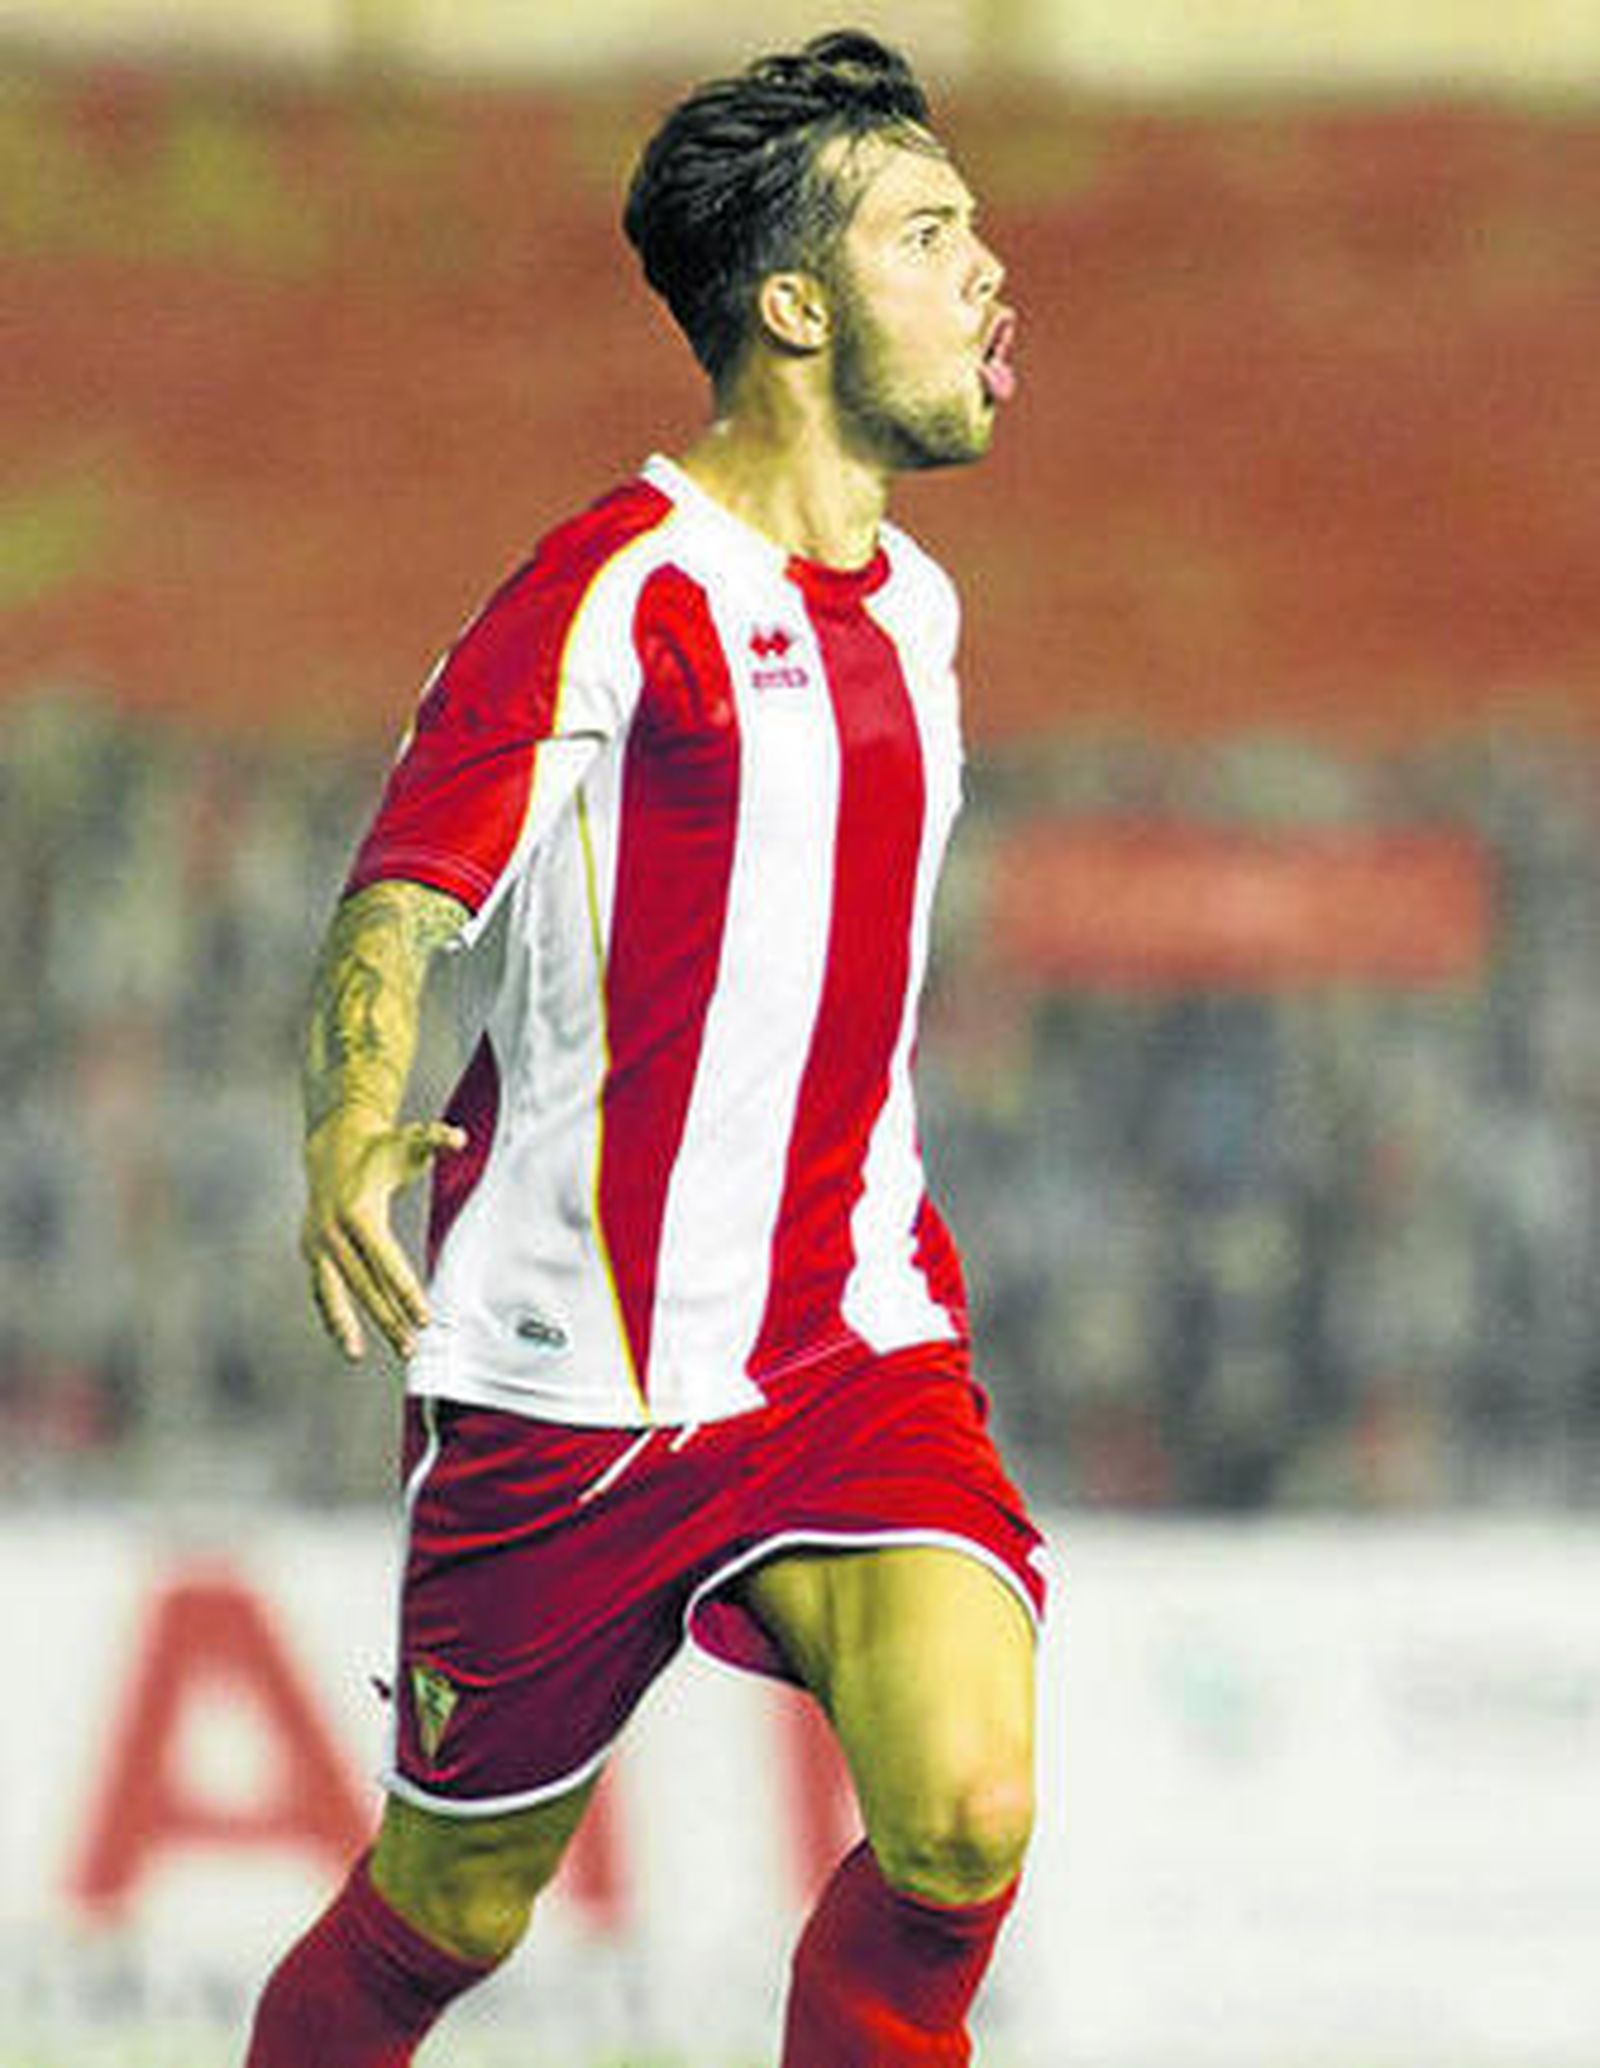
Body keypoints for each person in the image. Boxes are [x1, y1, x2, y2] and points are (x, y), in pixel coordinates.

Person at [245, 28, 1045, 2068]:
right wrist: (352, 1108)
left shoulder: (923, 610)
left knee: (958, 1810)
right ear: (792, 304)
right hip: (563, 1373)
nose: (987, 267)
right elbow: (412, 878)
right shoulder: (613, 587)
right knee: (447, 1916)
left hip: (844, 1340)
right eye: (927, 231)